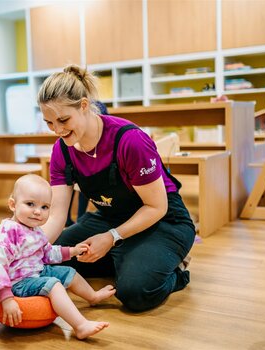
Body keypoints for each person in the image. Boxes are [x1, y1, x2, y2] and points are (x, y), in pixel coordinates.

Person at [37, 64, 196, 313]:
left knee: (135, 293)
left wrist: (112, 238)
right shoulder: (61, 150)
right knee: (47, 259)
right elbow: (57, 215)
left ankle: (174, 268)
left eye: (63, 120)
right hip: (110, 218)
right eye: (49, 123)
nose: (57, 130)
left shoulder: (129, 140)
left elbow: (157, 206)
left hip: (163, 221)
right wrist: (29, 248)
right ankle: (128, 258)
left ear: (84, 106)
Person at [0, 174, 116, 339]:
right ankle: (80, 326)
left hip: (35, 272)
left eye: (45, 207)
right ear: (12, 204)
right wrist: (6, 298)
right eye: (30, 204)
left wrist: (72, 251)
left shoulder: (35, 230)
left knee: (68, 272)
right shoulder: (7, 233)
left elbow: (48, 253)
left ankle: (93, 296)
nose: (38, 212)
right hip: (17, 283)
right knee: (54, 285)